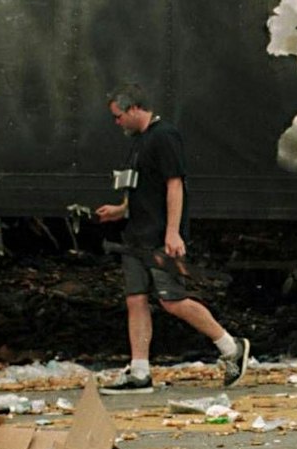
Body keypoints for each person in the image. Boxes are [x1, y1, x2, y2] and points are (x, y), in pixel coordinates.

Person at [95, 85, 251, 393]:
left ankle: (231, 347)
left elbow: (174, 185)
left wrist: (172, 231)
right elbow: (142, 188)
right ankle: (140, 372)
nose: (116, 123)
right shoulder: (139, 142)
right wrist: (121, 209)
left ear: (134, 109)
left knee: (172, 301)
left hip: (157, 236)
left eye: (118, 117)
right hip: (135, 236)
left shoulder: (164, 136)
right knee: (135, 299)